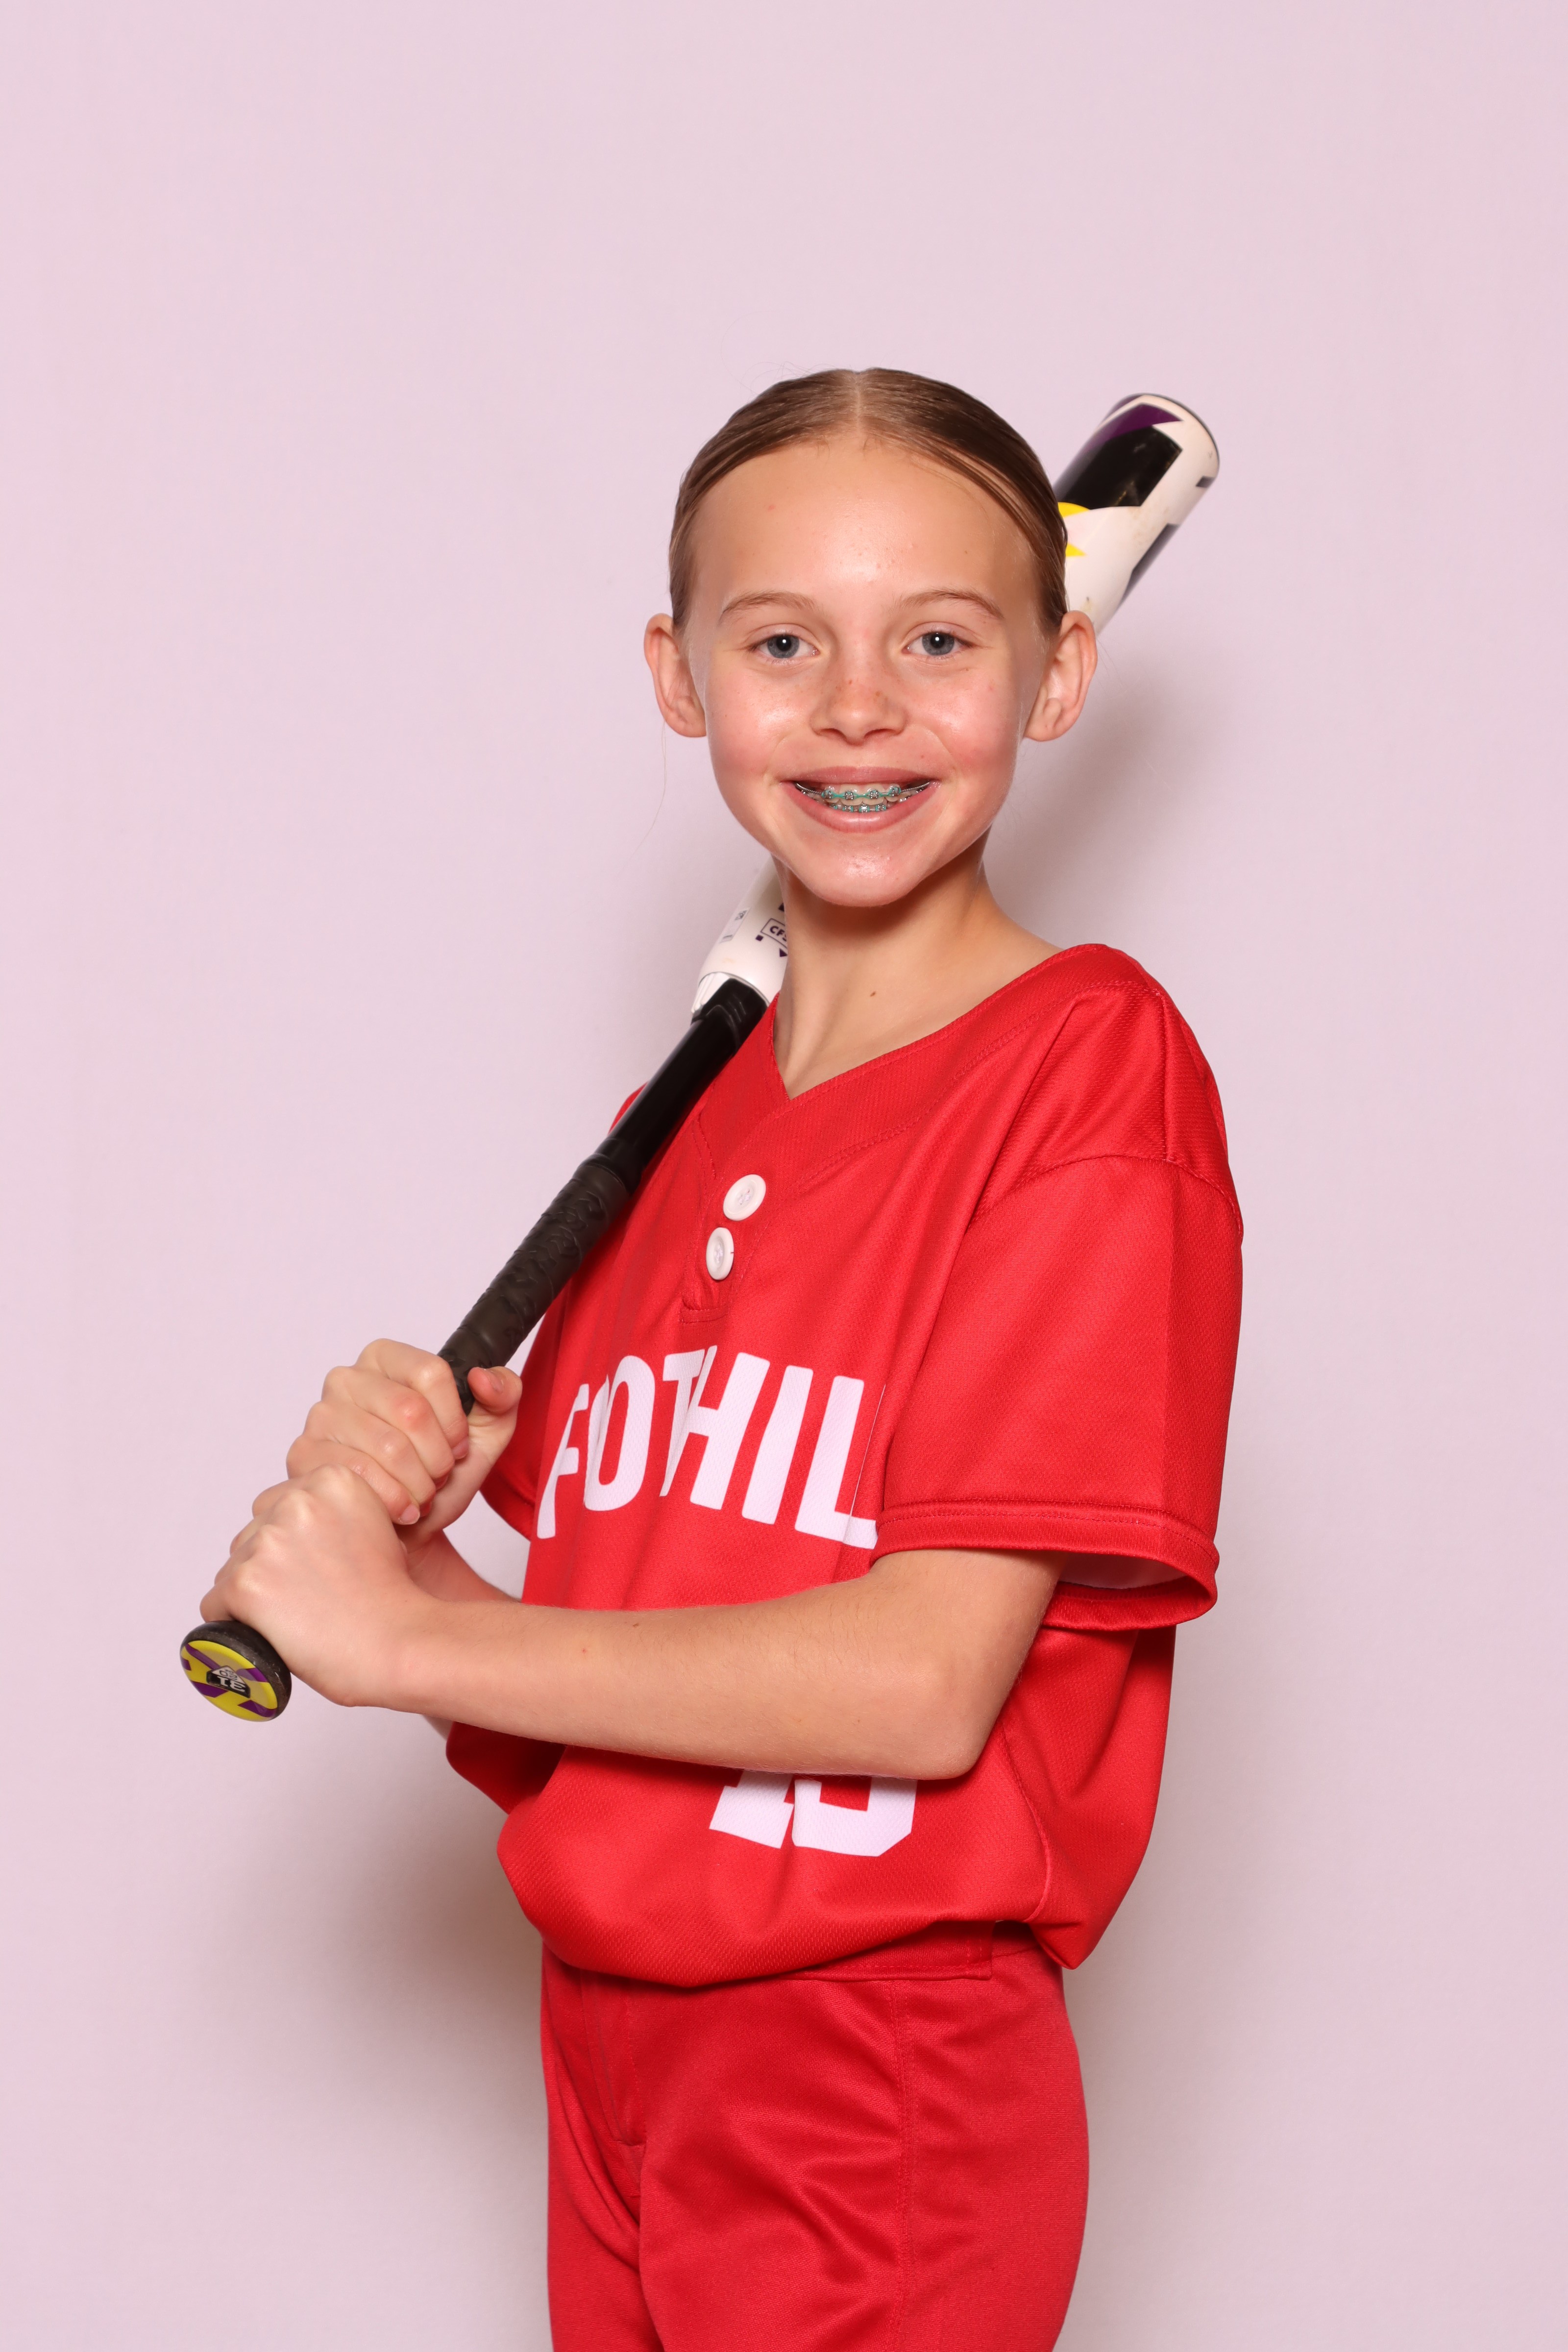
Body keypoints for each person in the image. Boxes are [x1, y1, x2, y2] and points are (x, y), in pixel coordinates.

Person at [203, 368, 1243, 2351]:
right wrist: (409, 1569)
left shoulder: (1084, 1070)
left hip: (867, 2070)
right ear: (680, 678)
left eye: (936, 641)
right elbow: (619, 1683)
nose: (856, 707)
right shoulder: (681, 1128)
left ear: (1053, 675)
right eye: (782, 644)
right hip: (607, 2041)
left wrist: (412, 1642)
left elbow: (921, 1683)